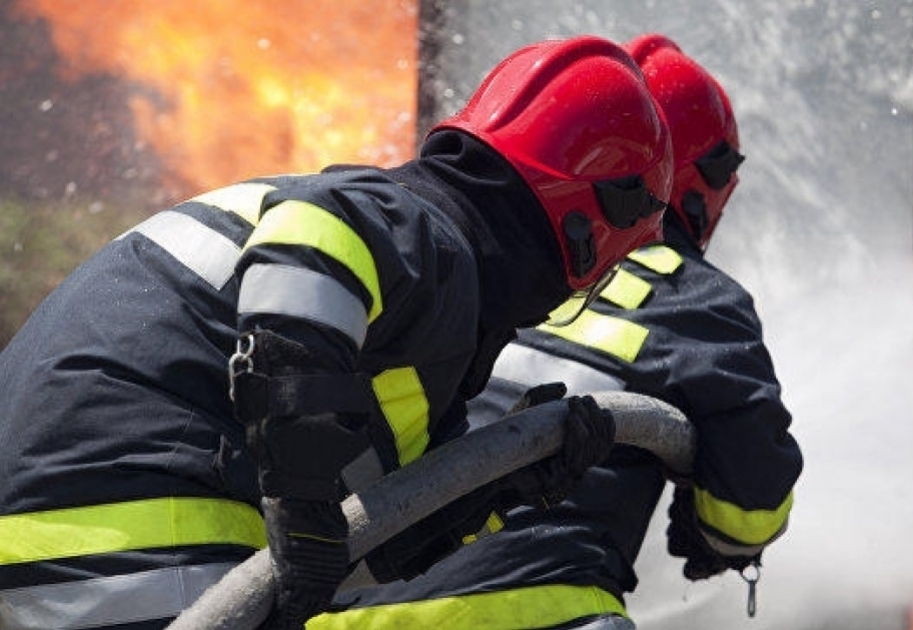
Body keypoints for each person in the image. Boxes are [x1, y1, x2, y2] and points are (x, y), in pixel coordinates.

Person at [0, 36, 674, 630]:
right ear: (591, 228)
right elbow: (316, 236)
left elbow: (355, 546)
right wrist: (301, 495)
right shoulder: (421, 232)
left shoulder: (397, 316)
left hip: (59, 544)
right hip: (128, 537)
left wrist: (505, 486)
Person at [308, 33, 803, 630]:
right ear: (698, 184)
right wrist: (714, 529)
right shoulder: (696, 299)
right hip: (536, 614)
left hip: (340, 611)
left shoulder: (462, 263)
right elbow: (748, 511)